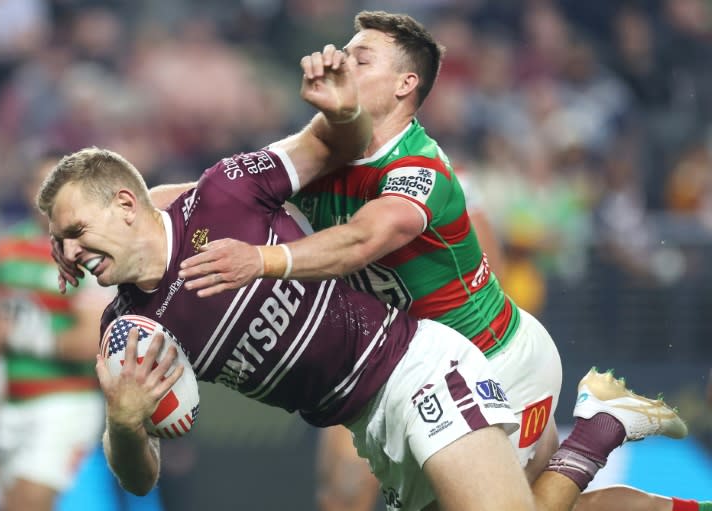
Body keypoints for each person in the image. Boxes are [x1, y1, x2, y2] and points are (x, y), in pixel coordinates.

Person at [38, 46, 687, 511]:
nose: (68, 251)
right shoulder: (127, 333)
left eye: (75, 230)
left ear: (125, 204)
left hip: (414, 368)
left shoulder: (225, 194)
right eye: (59, 240)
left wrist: (343, 110)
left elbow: (331, 142)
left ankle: (597, 431)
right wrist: (124, 421)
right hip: (366, 424)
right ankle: (601, 433)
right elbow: (140, 476)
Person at [0, 152, 159, 511]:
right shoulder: (8, 249)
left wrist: (21, 337)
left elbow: (95, 339)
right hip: (12, 404)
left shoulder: (89, 253)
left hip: (65, 404)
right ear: (31, 190)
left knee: (27, 504)